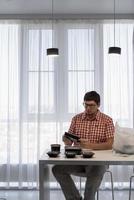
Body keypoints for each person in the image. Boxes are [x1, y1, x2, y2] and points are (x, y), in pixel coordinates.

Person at [52, 91, 115, 200]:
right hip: (79, 160)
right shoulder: (76, 119)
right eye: (86, 105)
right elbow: (69, 142)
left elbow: (110, 144)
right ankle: (75, 198)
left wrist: (90, 145)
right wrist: (66, 140)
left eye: (91, 105)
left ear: (98, 105)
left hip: (98, 162)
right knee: (57, 169)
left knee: (94, 175)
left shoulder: (107, 120)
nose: (88, 108)